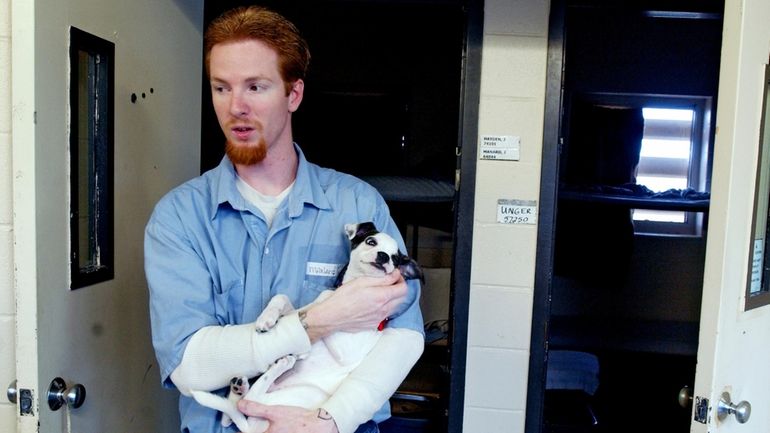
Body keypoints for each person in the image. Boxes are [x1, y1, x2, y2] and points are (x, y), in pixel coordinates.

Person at [144, 6, 425, 433]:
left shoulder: (357, 204)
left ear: (293, 95)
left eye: (255, 87)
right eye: (221, 88)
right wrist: (320, 321)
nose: (235, 107)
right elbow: (190, 365)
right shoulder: (180, 218)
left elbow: (403, 336)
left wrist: (331, 420)